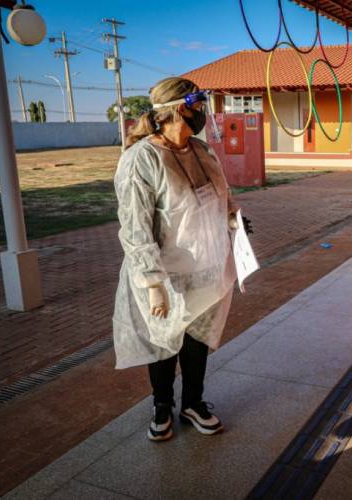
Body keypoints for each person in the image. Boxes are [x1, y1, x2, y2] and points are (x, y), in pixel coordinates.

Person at [113, 77, 240, 442]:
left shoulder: (202, 151)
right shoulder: (142, 159)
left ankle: (194, 403)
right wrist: (153, 283)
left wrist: (232, 217)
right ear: (176, 110)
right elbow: (135, 227)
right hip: (165, 274)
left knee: (198, 339)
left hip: (207, 268)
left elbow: (221, 195)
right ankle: (161, 405)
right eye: (196, 106)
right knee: (165, 342)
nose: (201, 113)